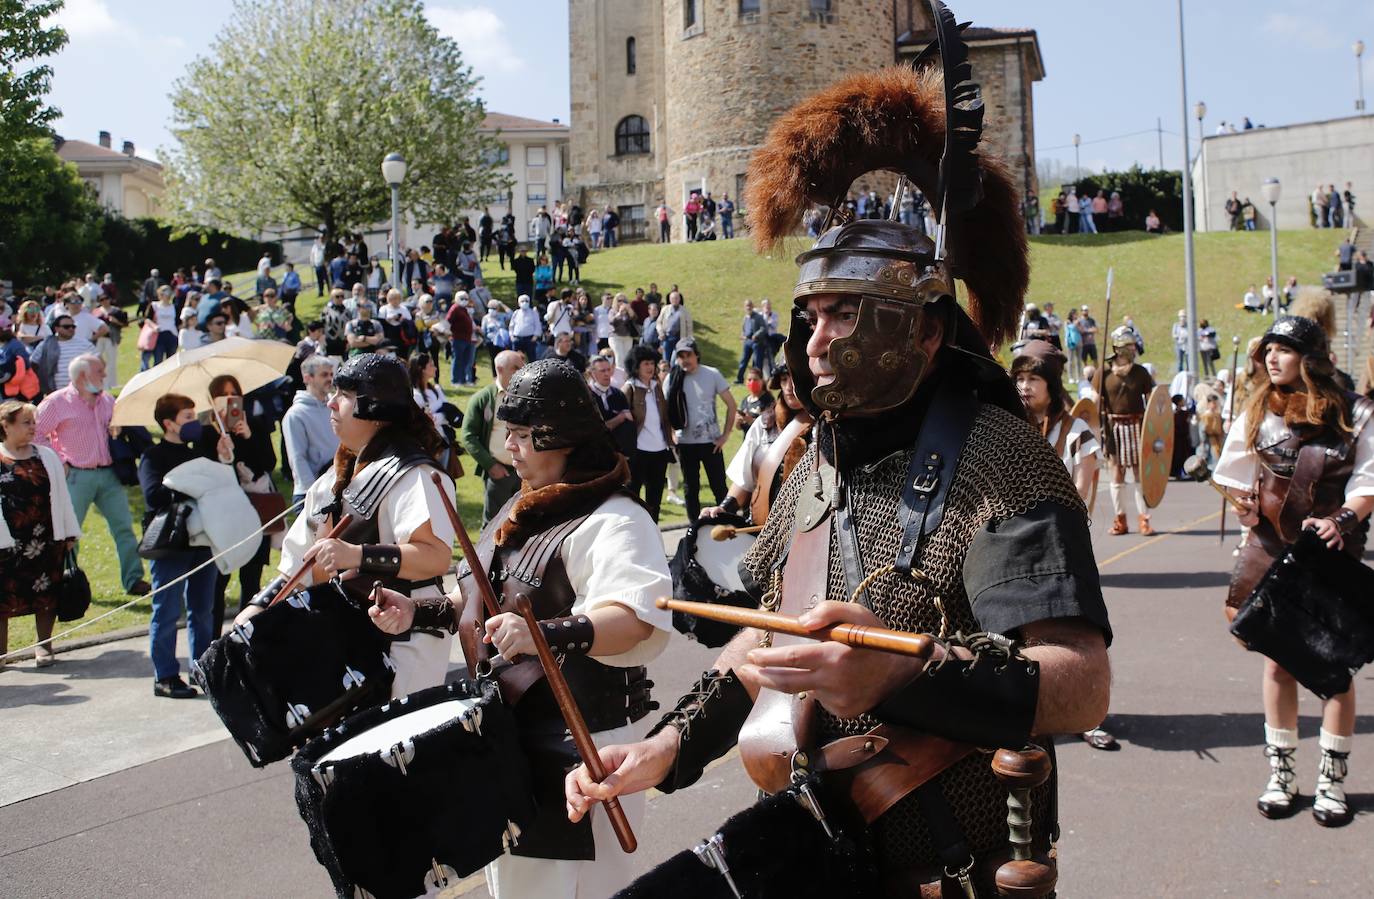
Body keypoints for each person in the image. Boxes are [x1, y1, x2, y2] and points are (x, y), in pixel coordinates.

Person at [565, 58, 1111, 897]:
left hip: (953, 867)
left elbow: (1080, 685)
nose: (819, 339)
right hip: (825, 840)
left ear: (926, 334)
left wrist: (902, 672)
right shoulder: (813, 461)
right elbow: (769, 639)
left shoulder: (1002, 459)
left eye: (847, 313)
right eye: (812, 314)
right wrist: (667, 745)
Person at [370, 357, 672, 899]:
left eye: (521, 436)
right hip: (509, 740)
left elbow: (634, 620)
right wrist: (419, 612)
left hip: (584, 746)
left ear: (562, 439)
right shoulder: (522, 507)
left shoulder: (616, 519)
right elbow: (486, 604)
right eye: (508, 434)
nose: (509, 447)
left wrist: (546, 635)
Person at [1214, 315, 1374, 828]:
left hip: (1330, 555)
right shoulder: (1258, 411)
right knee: (1279, 663)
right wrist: (1245, 505)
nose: (1271, 359)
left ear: (1312, 357)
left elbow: (1368, 484)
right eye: (1268, 351)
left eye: (1284, 349)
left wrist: (1341, 520)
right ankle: (1281, 775)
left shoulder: (1357, 414)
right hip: (1271, 550)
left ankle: (1332, 781)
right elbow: (1235, 477)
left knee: (1333, 669)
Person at [234, 354, 457, 703]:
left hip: (405, 641)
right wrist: (259, 607)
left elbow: (434, 557)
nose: (331, 402)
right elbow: (302, 561)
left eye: (344, 394)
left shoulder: (415, 475)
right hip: (347, 635)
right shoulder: (337, 475)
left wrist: (355, 554)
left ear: (374, 406)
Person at [1012, 341, 1117, 751]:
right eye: (1018, 378)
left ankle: (1089, 715)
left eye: (1032, 378)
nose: (1024, 386)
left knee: (1079, 639)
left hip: (1062, 546)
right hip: (1018, 546)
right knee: (1022, 636)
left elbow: (1082, 490)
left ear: (1051, 385)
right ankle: (1032, 711)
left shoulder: (1076, 432)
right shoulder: (1008, 426)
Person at [140, 393, 234, 697]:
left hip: (202, 539)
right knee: (167, 609)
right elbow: (153, 495)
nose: (194, 423)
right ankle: (165, 675)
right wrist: (189, 486)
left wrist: (224, 458)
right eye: (187, 418)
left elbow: (220, 486)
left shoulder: (200, 452)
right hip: (171, 542)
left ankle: (201, 669)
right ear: (168, 423)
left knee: (202, 609)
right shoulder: (153, 456)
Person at [33, 354, 148, 595]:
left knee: (124, 528)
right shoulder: (56, 402)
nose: (105, 376)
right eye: (100, 372)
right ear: (83, 376)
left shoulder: (107, 400)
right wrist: (59, 459)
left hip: (109, 474)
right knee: (70, 533)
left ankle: (134, 579)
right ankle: (67, 582)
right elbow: (36, 434)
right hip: (76, 476)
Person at [0, 401, 81, 667]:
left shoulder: (46, 455)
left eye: (34, 422)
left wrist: (69, 533)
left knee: (46, 594)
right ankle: (1, 653)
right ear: (6, 426)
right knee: (3, 598)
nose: (33, 428)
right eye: (26, 422)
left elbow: (62, 496)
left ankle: (44, 647)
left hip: (46, 538)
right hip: (7, 543)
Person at [202, 374, 277, 628]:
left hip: (255, 511)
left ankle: (247, 638)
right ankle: (213, 638)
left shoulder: (254, 423)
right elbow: (209, 474)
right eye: (224, 394)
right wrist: (221, 452)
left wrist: (248, 436)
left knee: (252, 580)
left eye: (235, 393)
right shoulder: (205, 432)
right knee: (218, 582)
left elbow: (269, 463)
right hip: (223, 516)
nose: (231, 399)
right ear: (213, 401)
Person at [701, 364, 811, 525]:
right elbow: (744, 478)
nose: (789, 387)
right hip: (763, 524)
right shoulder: (764, 423)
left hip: (807, 527)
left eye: (794, 379)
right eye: (784, 379)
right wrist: (724, 508)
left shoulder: (825, 425)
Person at [670, 339, 736, 520]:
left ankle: (729, 524)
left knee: (719, 487)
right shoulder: (672, 377)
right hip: (685, 443)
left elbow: (731, 404)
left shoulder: (712, 374)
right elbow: (664, 408)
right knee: (691, 489)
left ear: (696, 354)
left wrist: (725, 436)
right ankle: (694, 527)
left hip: (711, 443)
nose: (685, 360)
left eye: (688, 355)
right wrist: (671, 434)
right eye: (681, 356)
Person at [1100, 326, 1156, 535]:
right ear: (1118, 348)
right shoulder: (1104, 373)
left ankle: (1144, 519)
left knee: (1139, 474)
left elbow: (1152, 403)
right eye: (1129, 346)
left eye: (1133, 345)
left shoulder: (1140, 372)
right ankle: (1121, 519)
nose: (1133, 349)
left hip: (1137, 427)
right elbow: (1095, 403)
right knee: (1117, 474)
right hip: (1114, 428)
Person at [463, 349, 526, 525]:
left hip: (525, 472)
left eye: (522, 367)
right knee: (492, 524)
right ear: (499, 369)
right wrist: (490, 465)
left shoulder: (526, 396)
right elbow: (468, 436)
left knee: (521, 522)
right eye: (515, 368)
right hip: (499, 473)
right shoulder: (483, 398)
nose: (521, 372)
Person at [622, 346, 674, 521]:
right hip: (638, 451)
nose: (650, 367)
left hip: (659, 450)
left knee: (655, 499)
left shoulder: (656, 385)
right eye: (646, 363)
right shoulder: (630, 388)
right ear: (636, 366)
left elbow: (665, 417)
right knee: (632, 497)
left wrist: (670, 441)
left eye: (652, 363)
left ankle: (654, 534)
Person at [283, 355, 339, 508]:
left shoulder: (333, 406)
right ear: (308, 378)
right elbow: (298, 459)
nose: (329, 378)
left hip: (337, 485)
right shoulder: (295, 415)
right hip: (311, 494)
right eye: (324, 375)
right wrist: (314, 495)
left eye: (330, 374)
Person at [657, 290, 692, 362]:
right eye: (672, 298)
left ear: (679, 299)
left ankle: (674, 371)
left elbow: (689, 327)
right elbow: (658, 322)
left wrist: (688, 339)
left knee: (674, 360)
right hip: (666, 338)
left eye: (676, 298)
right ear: (670, 299)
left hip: (679, 339)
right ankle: (667, 373)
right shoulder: (665, 309)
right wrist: (660, 332)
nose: (674, 300)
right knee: (666, 359)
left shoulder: (685, 311)